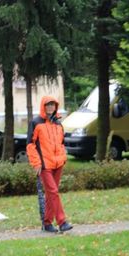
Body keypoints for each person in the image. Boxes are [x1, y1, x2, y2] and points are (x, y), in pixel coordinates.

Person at [27, 96, 73, 233]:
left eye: (53, 105)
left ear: (56, 107)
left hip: (58, 164)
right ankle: (62, 222)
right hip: (44, 165)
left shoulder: (58, 124)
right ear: (43, 106)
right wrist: (36, 163)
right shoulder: (36, 123)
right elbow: (30, 145)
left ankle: (47, 223)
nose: (50, 107)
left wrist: (63, 158)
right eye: (48, 105)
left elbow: (61, 143)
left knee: (51, 194)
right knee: (53, 192)